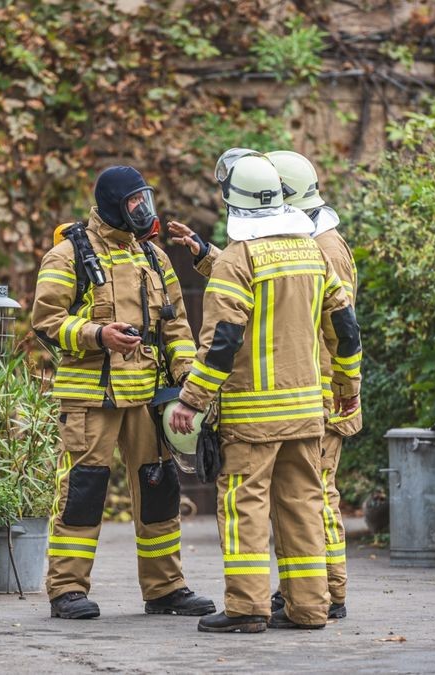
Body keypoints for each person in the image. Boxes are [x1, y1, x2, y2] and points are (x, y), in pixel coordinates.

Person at [167, 152, 362, 633]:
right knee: (302, 508)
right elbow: (346, 328)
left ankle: (247, 608)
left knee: (244, 508)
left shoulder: (239, 259)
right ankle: (311, 608)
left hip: (253, 418)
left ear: (233, 202)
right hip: (307, 414)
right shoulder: (311, 250)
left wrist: (191, 402)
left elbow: (222, 344)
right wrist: (348, 387)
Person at [33, 165, 215, 620]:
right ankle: (67, 590)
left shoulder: (154, 257)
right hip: (91, 398)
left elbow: (177, 328)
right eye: (135, 202)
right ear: (114, 203)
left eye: (145, 200)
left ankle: (165, 589)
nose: (143, 210)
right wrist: (98, 335)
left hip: (147, 397)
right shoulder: (67, 254)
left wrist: (188, 382)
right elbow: (46, 322)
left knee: (159, 493)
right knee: (83, 492)